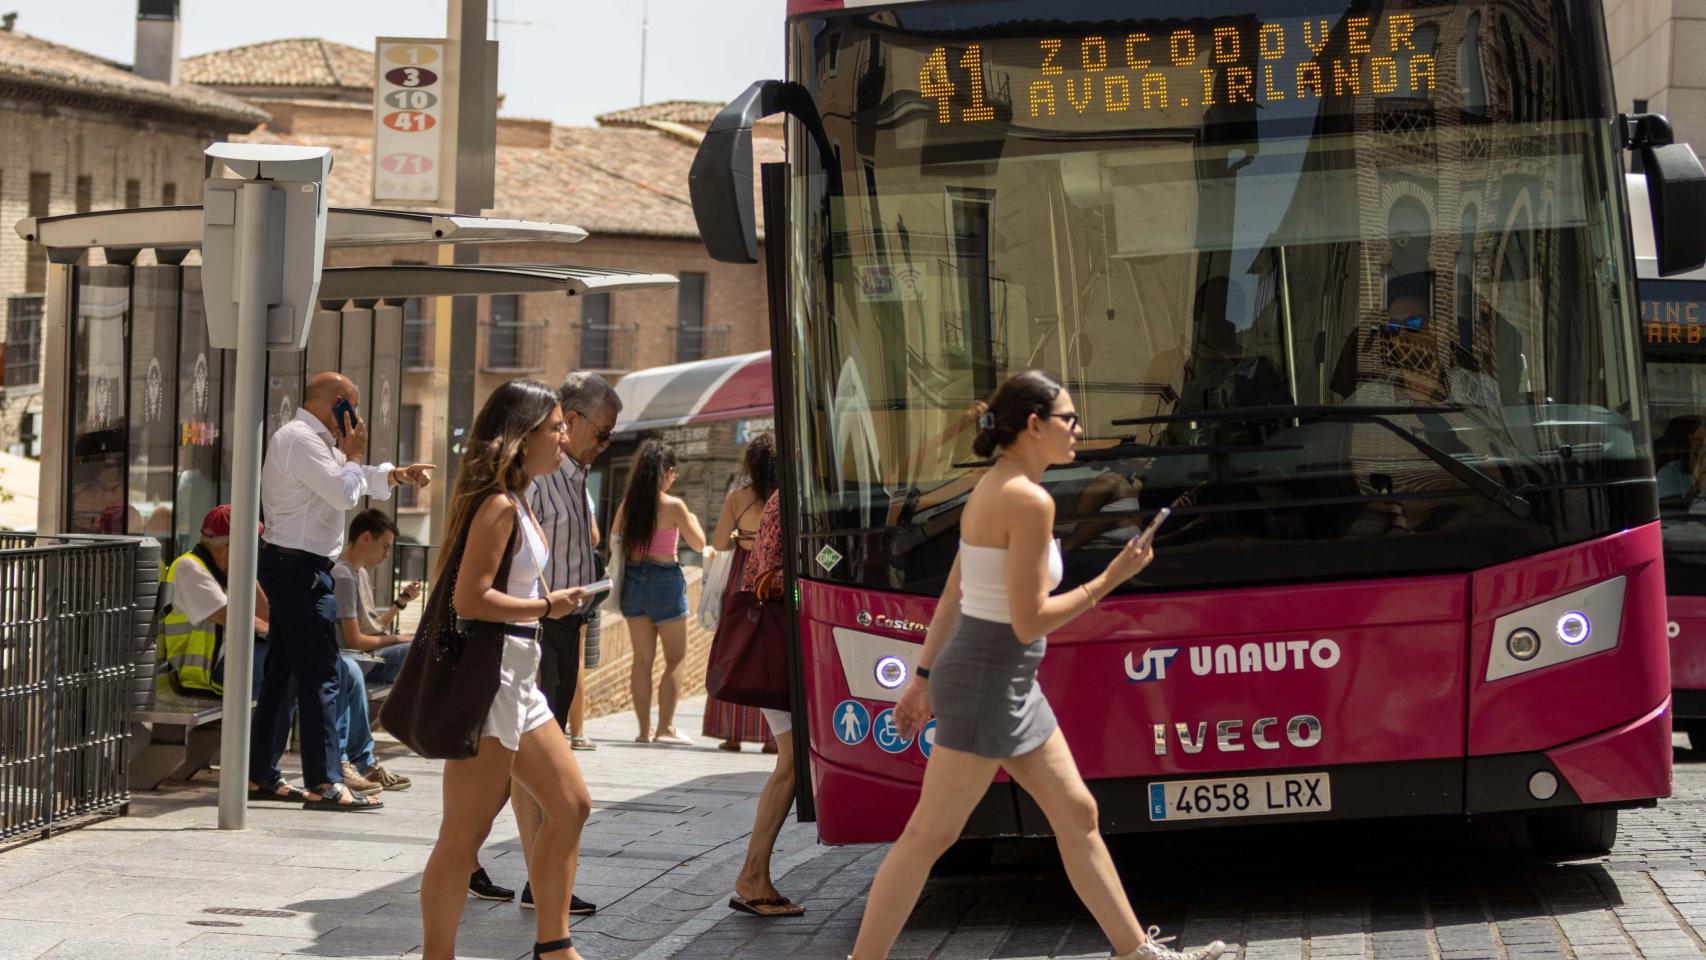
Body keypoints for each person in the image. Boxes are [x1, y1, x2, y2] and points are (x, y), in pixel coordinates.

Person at [848, 371, 1227, 960]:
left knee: (1077, 812)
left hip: (1005, 683)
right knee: (931, 834)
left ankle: (1137, 953)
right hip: (988, 684)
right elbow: (1028, 621)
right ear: (1033, 425)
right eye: (1068, 419)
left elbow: (956, 591)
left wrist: (922, 680)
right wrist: (1111, 578)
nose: (1078, 429)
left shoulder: (996, 485)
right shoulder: (1027, 500)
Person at [419, 378, 592, 960]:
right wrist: (549, 605)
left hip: (521, 674)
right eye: (555, 428)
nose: (565, 436)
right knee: (462, 837)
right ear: (523, 437)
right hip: (493, 679)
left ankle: (554, 944)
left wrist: (549, 603)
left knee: (572, 806)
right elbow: (471, 600)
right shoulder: (496, 505)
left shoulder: (518, 500)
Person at [247, 371, 433, 812]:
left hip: (298, 567)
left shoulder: (318, 443)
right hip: (298, 569)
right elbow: (343, 492)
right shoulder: (300, 439)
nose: (358, 417)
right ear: (337, 403)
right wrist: (351, 455)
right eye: (353, 406)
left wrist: (395, 476)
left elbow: (352, 478)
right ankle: (325, 783)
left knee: (285, 672)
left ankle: (260, 774)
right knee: (322, 674)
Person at [506, 371, 621, 914]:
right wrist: (546, 607)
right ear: (569, 422)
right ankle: (537, 883)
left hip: (565, 623)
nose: (605, 446)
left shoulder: (574, 475)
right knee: (531, 765)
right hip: (539, 627)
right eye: (603, 434)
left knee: (520, 764)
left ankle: (525, 881)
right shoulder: (536, 479)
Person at [725, 487, 805, 918]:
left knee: (790, 764)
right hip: (778, 645)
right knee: (790, 764)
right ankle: (752, 877)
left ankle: (756, 876)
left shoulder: (781, 497)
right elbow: (772, 577)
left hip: (780, 646)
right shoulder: (788, 497)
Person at [613, 440, 707, 745]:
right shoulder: (673, 506)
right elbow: (698, 543)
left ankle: (643, 731)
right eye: (673, 473)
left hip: (633, 581)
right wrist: (689, 517)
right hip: (665, 581)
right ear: (666, 472)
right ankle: (665, 728)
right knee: (675, 659)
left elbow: (615, 538)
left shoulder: (629, 504)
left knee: (642, 660)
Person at [704, 433, 780, 753]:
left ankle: (732, 733)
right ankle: (772, 737)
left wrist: (739, 534)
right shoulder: (784, 495)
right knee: (770, 651)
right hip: (772, 573)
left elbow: (720, 544)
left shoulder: (737, 498)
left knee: (735, 646)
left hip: (741, 574)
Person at [332, 508, 417, 794]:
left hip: (365, 658)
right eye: (384, 546)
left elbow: (372, 626)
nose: (386, 554)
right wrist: (397, 639)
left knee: (420, 648)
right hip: (354, 658)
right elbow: (355, 640)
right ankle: (423, 722)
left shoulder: (361, 575)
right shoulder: (343, 576)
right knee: (422, 651)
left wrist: (400, 603)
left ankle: (367, 758)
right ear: (366, 538)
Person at [160, 504, 270, 699]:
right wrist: (281, 634)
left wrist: (247, 573)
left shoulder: (227, 571)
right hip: (205, 676)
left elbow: (264, 617)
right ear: (231, 545)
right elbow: (233, 619)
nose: (256, 548)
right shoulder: (190, 567)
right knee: (292, 660)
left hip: (230, 663)